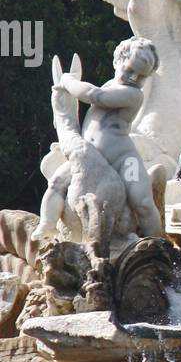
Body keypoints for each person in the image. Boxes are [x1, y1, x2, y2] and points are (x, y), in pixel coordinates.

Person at [34, 38, 162, 240]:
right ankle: (47, 224)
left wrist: (68, 81)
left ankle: (158, 243)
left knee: (143, 202)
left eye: (141, 77)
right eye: (129, 70)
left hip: (122, 159)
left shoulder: (133, 94)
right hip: (88, 156)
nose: (133, 78)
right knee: (56, 184)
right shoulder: (112, 84)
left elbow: (96, 96)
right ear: (117, 62)